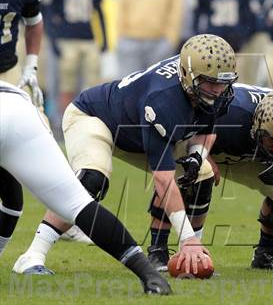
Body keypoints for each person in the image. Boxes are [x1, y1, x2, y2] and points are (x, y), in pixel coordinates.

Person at [12, 34, 238, 276]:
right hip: (95, 117)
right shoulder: (162, 100)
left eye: (221, 83)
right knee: (92, 180)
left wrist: (197, 154)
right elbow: (163, 180)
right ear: (187, 74)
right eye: (209, 82)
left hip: (135, 132)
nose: (217, 90)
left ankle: (188, 258)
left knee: (200, 172)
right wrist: (187, 237)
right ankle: (32, 255)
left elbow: (206, 129)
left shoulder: (211, 88)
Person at [0, 81, 171, 294]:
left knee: (81, 196)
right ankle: (150, 276)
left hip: (17, 111)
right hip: (20, 111)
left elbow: (11, 199)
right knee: (78, 204)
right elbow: (12, 199)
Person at [147, 85, 273, 271]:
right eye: (272, 139)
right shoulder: (231, 114)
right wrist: (202, 155)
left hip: (246, 152)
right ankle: (158, 251)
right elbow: (185, 130)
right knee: (198, 172)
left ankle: (266, 254)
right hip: (204, 142)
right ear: (257, 122)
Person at [0, 0, 48, 260]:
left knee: (41, 133)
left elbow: (34, 20)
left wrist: (31, 65)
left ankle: (63, 215)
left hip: (8, 71)